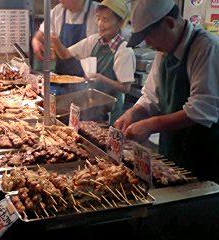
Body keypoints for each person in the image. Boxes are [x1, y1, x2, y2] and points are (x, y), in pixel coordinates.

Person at [115, 0, 219, 182]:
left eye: (149, 35)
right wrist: (134, 113)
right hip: (172, 151)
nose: (147, 42)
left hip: (205, 155)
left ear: (170, 23)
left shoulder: (206, 48)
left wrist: (151, 124)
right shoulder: (164, 52)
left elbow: (203, 110)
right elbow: (151, 97)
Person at [52, 0, 136, 124]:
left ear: (121, 23)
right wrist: (54, 40)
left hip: (110, 110)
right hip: (93, 105)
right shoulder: (94, 40)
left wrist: (100, 78)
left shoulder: (125, 50)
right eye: (98, 18)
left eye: (105, 20)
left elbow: (125, 87)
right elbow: (65, 54)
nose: (100, 24)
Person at [32, 0, 99, 77]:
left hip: (89, 78)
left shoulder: (98, 12)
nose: (60, 1)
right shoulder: (58, 11)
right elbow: (38, 37)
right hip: (61, 77)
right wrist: (36, 42)